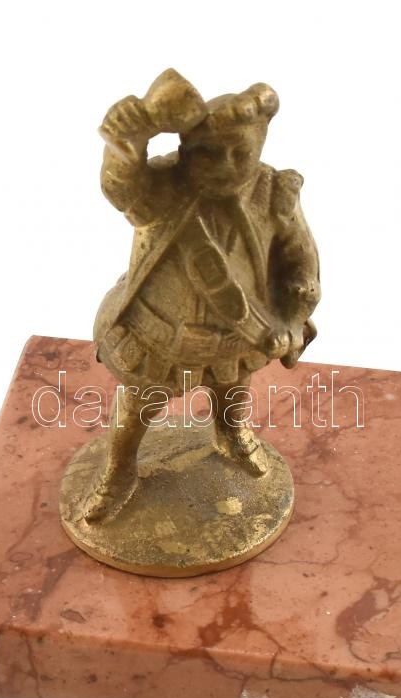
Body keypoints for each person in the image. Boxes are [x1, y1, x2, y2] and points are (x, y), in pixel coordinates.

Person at [84, 73, 320, 522]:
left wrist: (293, 318)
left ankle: (229, 436)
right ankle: (119, 470)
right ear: (186, 150)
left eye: (241, 154)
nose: (226, 166)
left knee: (232, 391)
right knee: (138, 405)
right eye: (209, 154)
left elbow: (300, 263)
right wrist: (129, 135)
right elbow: (120, 185)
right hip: (159, 333)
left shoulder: (274, 195)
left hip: (239, 336)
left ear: (259, 149)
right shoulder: (161, 189)